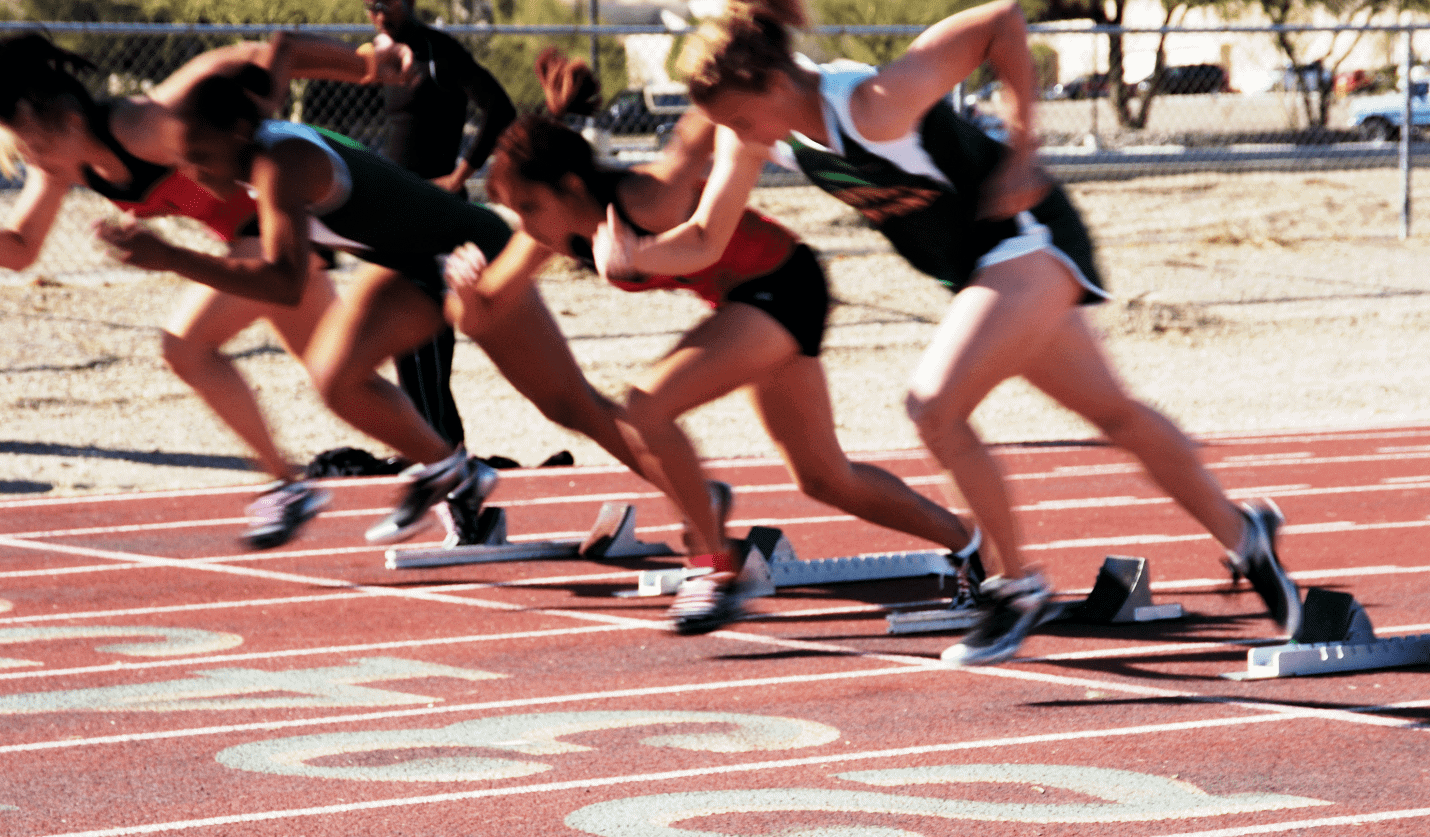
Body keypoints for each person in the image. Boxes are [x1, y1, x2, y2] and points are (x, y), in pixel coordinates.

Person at [593, 0, 1302, 662]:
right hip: (983, 270)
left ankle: (1015, 587)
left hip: (1026, 238)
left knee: (934, 405)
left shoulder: (874, 104)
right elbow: (706, 238)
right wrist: (636, 256)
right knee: (1114, 414)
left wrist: (1023, 151)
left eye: (743, 119)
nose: (739, 136)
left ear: (776, 83)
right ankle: (1246, 535)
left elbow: (1002, 19)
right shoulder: (762, 135)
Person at [446, 49, 982, 635]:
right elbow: (482, 312)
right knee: (825, 478)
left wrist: (741, 58)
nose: (522, 224)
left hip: (784, 284)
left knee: (646, 403)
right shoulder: (552, 232)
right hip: (748, 303)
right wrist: (466, 291)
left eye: (527, 207)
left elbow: (701, 122)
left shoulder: (649, 197)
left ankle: (714, 568)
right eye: (513, 211)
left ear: (570, 186)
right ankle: (974, 547)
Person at [93, 63, 655, 548]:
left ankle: (690, 491)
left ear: (237, 131)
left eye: (199, 157)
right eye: (182, 161)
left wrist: (171, 258)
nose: (192, 173)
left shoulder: (280, 163)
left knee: (568, 404)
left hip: (471, 251)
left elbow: (285, 282)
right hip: (410, 264)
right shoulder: (259, 157)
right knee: (334, 375)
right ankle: (451, 471)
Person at [0, 32, 408, 548]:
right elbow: (21, 248)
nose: (33, 161)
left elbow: (255, 55)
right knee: (341, 380)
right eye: (25, 149)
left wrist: (367, 64)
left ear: (69, 120)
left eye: (36, 145)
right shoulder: (63, 165)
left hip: (279, 231)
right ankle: (452, 472)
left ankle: (286, 484)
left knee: (184, 345)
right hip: (262, 248)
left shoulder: (145, 123)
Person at [362, 0, 518, 456]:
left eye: (387, 4)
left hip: (434, 210)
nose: (379, 13)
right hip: (395, 208)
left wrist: (458, 176)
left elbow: (499, 108)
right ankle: (429, 442)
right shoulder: (381, 54)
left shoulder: (439, 53)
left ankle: (442, 445)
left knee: (424, 328)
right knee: (400, 331)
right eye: (371, 5)